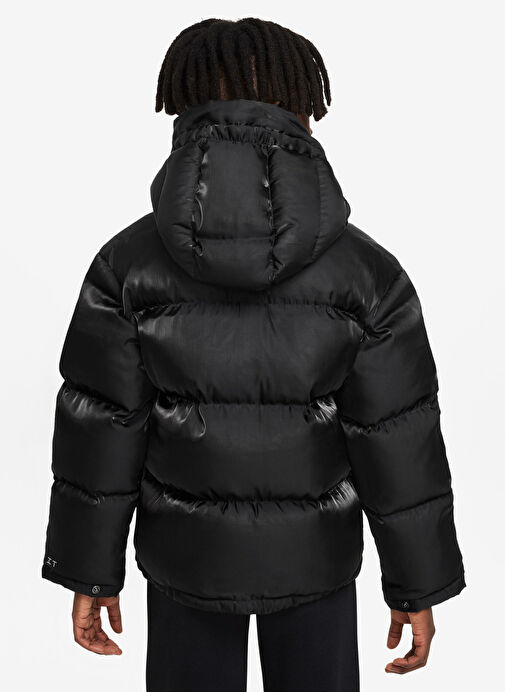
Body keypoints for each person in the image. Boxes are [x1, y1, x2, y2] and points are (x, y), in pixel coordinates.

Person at [42, 17, 465, 692]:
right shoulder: (368, 274)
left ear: (183, 105)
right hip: (316, 565)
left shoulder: (126, 266)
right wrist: (417, 584)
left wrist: (89, 571)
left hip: (186, 562)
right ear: (303, 109)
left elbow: (101, 431)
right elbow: (396, 437)